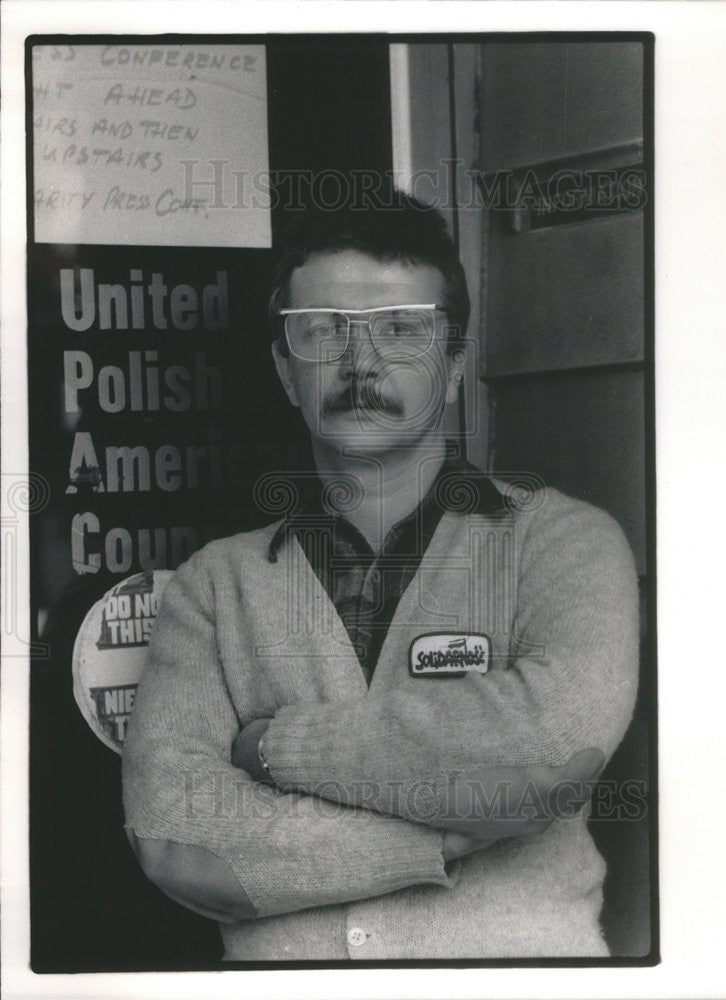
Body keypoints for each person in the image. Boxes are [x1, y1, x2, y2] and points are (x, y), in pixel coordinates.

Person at [121, 190, 639, 960]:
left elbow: (548, 754)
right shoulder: (213, 586)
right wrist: (447, 836)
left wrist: (274, 751)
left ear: (455, 363)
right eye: (321, 330)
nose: (360, 364)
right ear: (284, 368)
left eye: (402, 329)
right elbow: (177, 839)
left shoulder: (560, 542)